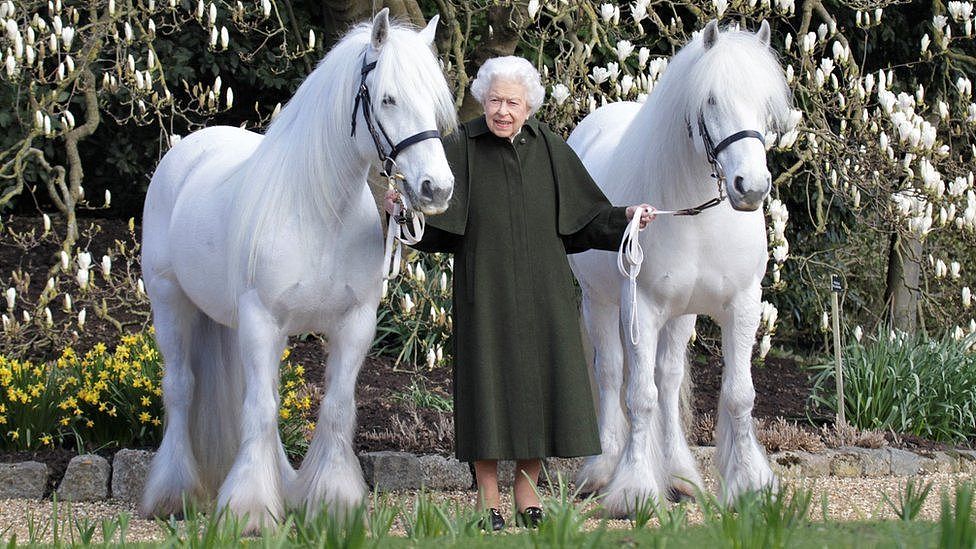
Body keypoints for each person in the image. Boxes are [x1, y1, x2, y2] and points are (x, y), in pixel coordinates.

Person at [384, 56, 653, 531]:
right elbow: (437, 228)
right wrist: (403, 212)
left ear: (529, 105)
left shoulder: (550, 148)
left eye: (512, 102)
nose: (502, 111)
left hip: (544, 293)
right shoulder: (460, 146)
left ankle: (526, 487)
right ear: (482, 101)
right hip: (482, 291)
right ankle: (488, 494)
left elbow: (586, 220)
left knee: (541, 390)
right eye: (494, 100)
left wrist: (628, 216)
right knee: (486, 389)